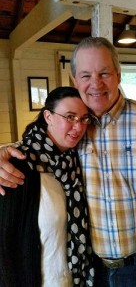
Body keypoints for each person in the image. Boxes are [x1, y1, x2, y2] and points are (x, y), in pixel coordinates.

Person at [0, 36, 136, 287]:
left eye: (104, 73)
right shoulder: (73, 130)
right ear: (75, 80)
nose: (95, 83)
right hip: (90, 269)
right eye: (86, 75)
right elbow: (37, 148)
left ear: (118, 75)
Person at [0, 86, 94, 287]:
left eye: (84, 118)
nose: (78, 127)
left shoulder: (74, 160)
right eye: (69, 117)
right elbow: (5, 245)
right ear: (48, 116)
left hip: (73, 280)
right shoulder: (17, 166)